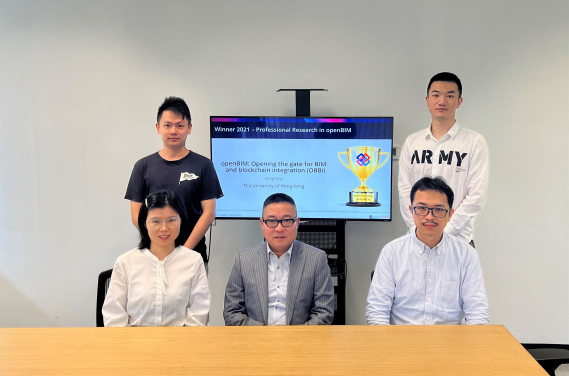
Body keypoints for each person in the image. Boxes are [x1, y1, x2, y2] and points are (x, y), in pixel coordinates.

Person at [367, 177, 489, 325]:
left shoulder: (466, 255)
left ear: (450, 214)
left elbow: (478, 313)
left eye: (438, 209)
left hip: (449, 342)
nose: (429, 216)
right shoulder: (392, 252)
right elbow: (377, 311)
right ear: (412, 211)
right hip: (402, 341)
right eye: (422, 208)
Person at [125, 97, 223, 263]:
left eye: (179, 125)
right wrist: (159, 244)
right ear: (158, 128)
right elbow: (136, 214)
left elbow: (209, 212)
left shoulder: (203, 165)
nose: (173, 131)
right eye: (167, 125)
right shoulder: (143, 166)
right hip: (153, 255)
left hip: (193, 254)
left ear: (189, 128)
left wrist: (183, 251)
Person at [398, 72, 489, 246]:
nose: (442, 101)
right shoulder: (412, 142)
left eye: (449, 95)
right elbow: (404, 191)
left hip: (458, 241)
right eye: (436, 95)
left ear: (459, 101)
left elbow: (476, 196)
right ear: (427, 100)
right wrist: (419, 229)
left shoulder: (474, 142)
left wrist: (442, 231)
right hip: (417, 241)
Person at [223, 193, 334, 326]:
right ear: (262, 223)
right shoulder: (243, 259)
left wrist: (295, 338)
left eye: (287, 220)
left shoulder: (316, 259)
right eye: (271, 221)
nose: (279, 228)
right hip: (255, 339)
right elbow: (232, 312)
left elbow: (324, 312)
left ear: (297, 222)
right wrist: (264, 335)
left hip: (300, 341)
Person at [103, 190, 210, 327]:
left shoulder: (193, 261)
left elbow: (198, 316)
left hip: (179, 343)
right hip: (135, 343)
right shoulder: (126, 262)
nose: (164, 228)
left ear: (181, 221)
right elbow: (114, 317)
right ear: (145, 223)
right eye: (156, 221)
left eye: (171, 220)